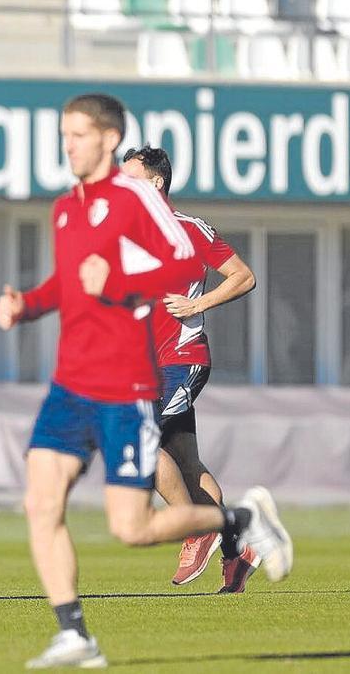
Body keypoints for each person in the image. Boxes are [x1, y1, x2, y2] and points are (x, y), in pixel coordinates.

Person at [0, 95, 292, 669]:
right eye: (64, 134)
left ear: (108, 139)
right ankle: (74, 634)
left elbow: (180, 260)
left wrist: (125, 278)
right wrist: (25, 305)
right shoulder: (65, 209)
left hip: (130, 378)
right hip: (71, 380)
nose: (68, 144)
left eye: (78, 134)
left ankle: (237, 523)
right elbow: (69, 285)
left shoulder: (141, 203)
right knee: (41, 501)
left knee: (131, 526)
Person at [120, 145, 261, 592]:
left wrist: (198, 303)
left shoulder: (189, 229)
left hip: (182, 361)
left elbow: (243, 275)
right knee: (186, 463)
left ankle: (193, 528)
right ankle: (237, 554)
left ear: (157, 182)